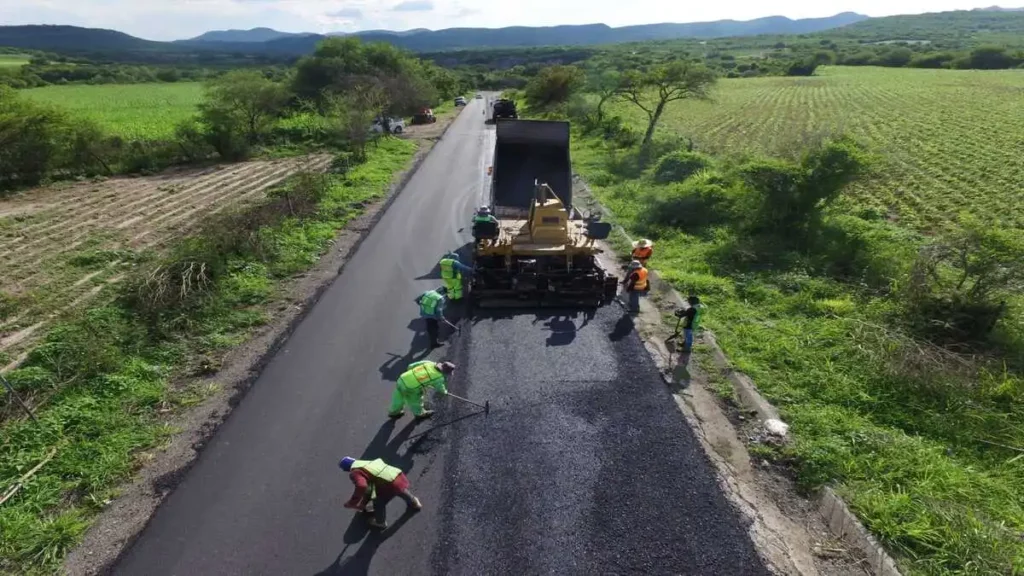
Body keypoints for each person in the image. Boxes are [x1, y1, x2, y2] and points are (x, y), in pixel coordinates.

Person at [339, 457, 422, 530]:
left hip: (387, 485)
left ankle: (380, 522)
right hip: (396, 475)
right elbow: (371, 486)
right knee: (399, 489)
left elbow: (362, 486)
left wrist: (353, 503)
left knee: (378, 503)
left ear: (346, 469)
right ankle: (414, 502)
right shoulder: (366, 463)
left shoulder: (355, 472)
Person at [388, 360, 455, 420]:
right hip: (411, 388)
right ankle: (419, 414)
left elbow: (411, 366)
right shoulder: (438, 377)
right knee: (415, 401)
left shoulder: (429, 363)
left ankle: (394, 412)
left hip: (402, 379)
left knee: (399, 397)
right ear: (445, 372)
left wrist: (413, 375)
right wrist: (445, 392)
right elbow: (440, 388)